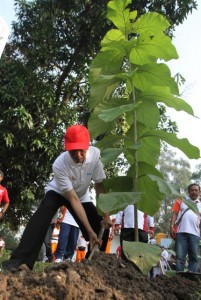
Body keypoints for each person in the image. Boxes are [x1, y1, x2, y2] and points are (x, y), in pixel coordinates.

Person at [3, 124, 111, 271]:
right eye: (73, 151)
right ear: (67, 148)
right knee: (43, 213)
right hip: (59, 193)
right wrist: (88, 232)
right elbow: (72, 199)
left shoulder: (95, 157)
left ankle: (94, 264)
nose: (78, 155)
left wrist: (106, 215)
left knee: (100, 225)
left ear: (88, 146)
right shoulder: (60, 164)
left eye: (81, 150)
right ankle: (20, 261)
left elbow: (99, 187)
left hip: (81, 195)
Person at [170, 183, 201, 273]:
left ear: (199, 192)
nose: (194, 192)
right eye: (192, 190)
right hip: (181, 232)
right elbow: (175, 214)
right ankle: (179, 277)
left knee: (194, 256)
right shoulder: (180, 200)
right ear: (188, 191)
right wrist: (172, 227)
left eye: (196, 190)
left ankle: (191, 277)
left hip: (195, 234)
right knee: (180, 256)